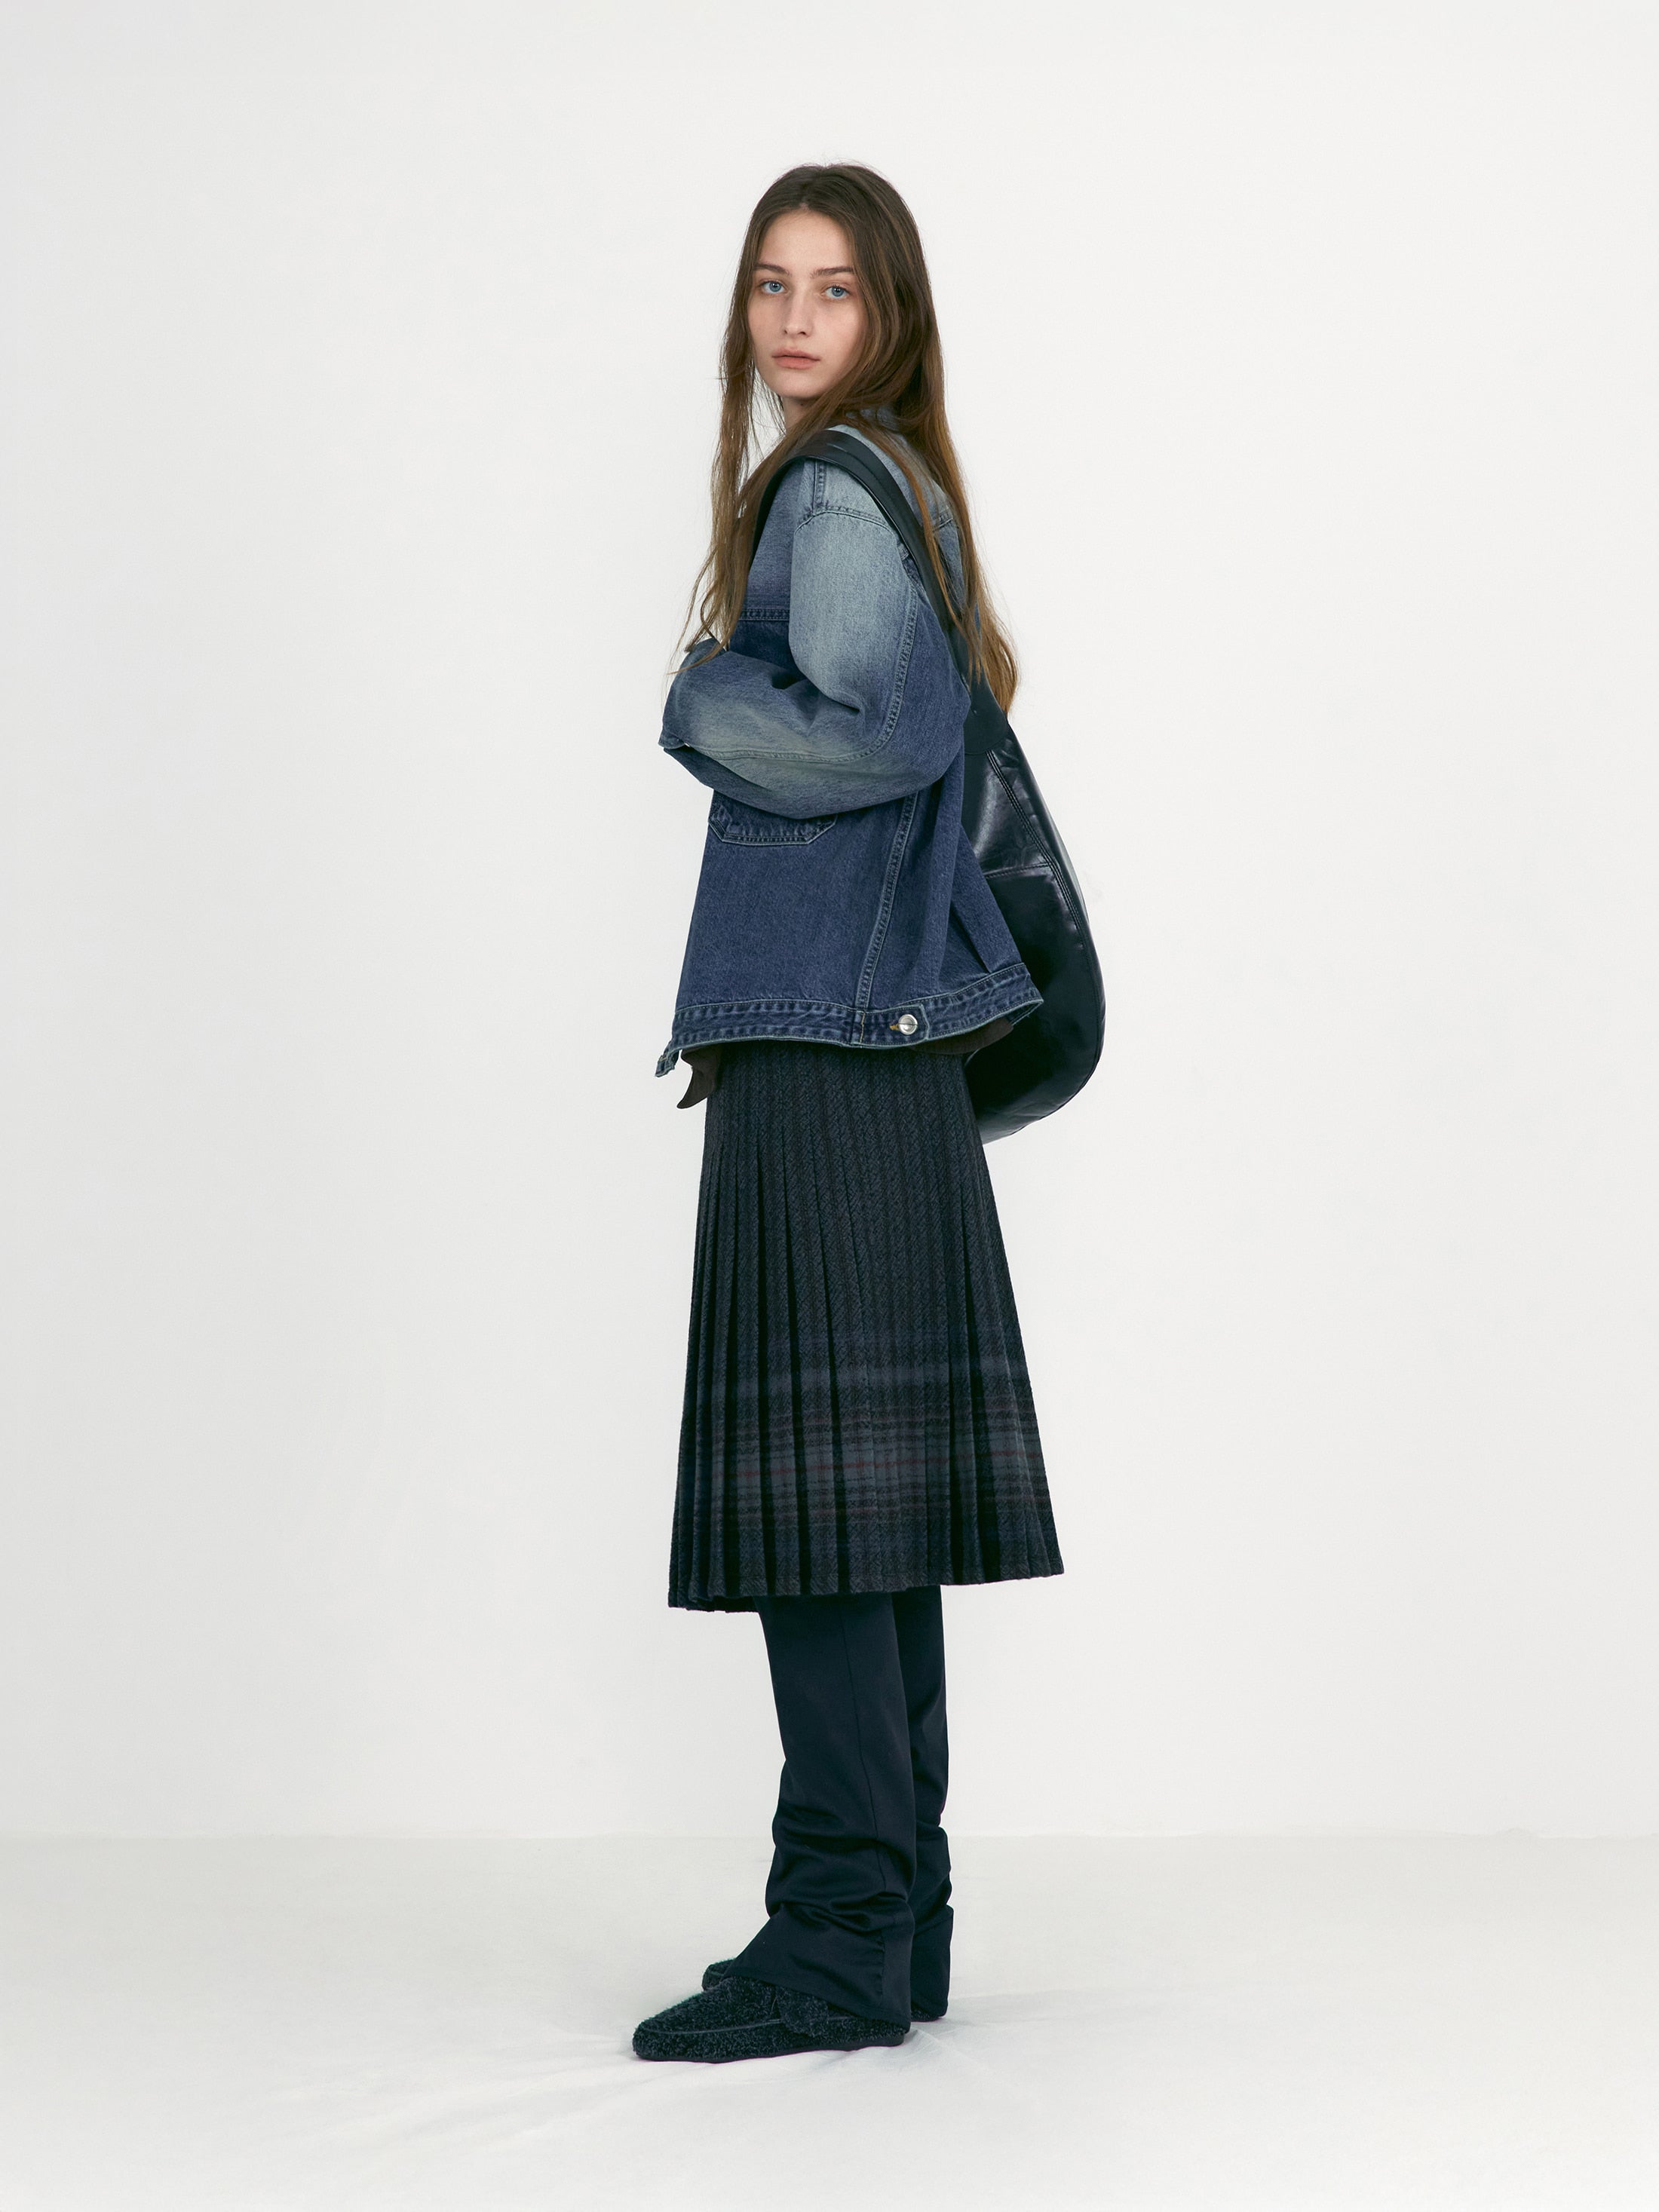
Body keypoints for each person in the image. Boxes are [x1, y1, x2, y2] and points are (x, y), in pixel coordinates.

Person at [632, 164, 1063, 2065]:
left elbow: (885, 734)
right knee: (863, 1515)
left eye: (832, 288)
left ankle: (832, 1939)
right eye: (767, 286)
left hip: (826, 1043)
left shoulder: (827, 485)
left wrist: (699, 696)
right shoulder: (895, 476)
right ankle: (894, 1923)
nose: (794, 320)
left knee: (818, 1518)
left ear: (888, 312)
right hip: (885, 1048)